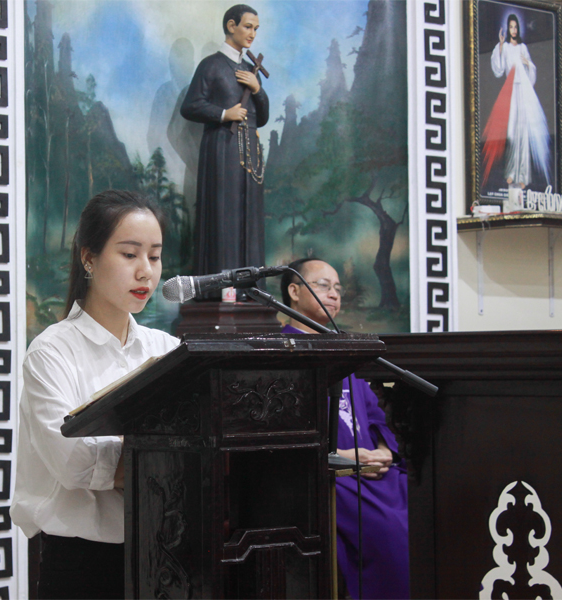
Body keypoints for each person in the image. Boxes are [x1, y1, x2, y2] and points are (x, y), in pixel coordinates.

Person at [10, 190, 180, 599]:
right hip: (80, 563)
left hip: (165, 551)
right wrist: (165, 460)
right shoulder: (52, 352)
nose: (146, 272)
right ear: (89, 258)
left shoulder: (166, 350)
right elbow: (74, 463)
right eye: (130, 254)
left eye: (155, 256)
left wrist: (128, 458)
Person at [280, 257, 409, 600]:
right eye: (323, 285)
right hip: (332, 478)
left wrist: (384, 450)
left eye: (338, 288)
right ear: (294, 291)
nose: (334, 294)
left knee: (429, 506)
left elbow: (376, 414)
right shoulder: (282, 353)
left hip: (376, 471)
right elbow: (286, 432)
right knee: (391, 533)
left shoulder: (346, 349)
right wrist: (345, 458)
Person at [180, 4, 269, 287]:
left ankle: (250, 288)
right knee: (224, 213)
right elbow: (190, 106)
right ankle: (221, 289)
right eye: (247, 26)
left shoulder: (250, 70)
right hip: (222, 148)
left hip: (250, 154)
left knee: (250, 216)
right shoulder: (211, 65)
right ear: (231, 26)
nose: (252, 34)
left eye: (256, 29)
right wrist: (223, 114)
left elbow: (262, 118)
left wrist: (257, 89)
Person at [482, 13, 552, 191]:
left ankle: (523, 176)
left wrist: (527, 63)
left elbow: (532, 71)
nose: (513, 30)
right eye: (511, 27)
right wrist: (499, 45)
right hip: (511, 91)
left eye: (515, 27)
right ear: (508, 28)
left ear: (518, 29)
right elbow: (498, 69)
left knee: (524, 133)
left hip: (524, 91)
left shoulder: (523, 47)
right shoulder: (505, 47)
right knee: (512, 133)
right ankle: (511, 172)